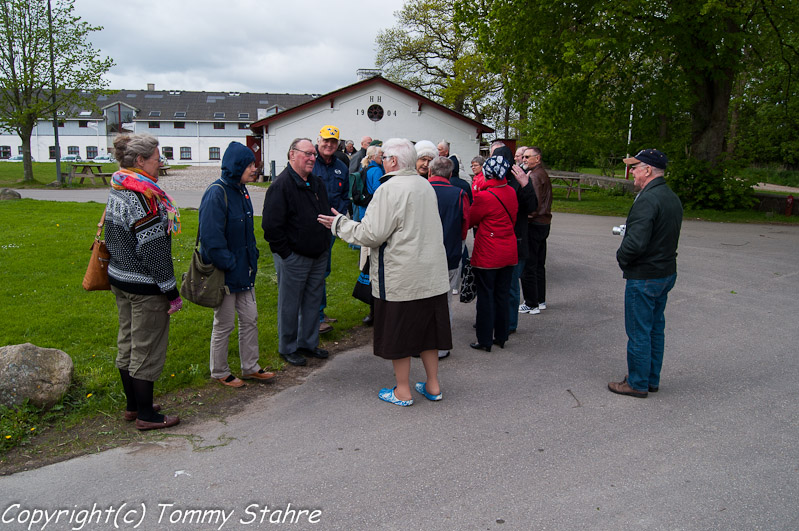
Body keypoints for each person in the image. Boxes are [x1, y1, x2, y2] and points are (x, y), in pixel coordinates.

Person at [318, 138, 452, 407]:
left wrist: (339, 224)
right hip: (430, 275)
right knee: (429, 332)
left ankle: (403, 390)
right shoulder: (425, 185)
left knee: (399, 333)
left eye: (384, 156)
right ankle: (433, 385)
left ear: (392, 161)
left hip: (401, 277)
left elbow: (371, 234)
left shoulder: (389, 189)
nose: (381, 159)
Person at [105, 133, 181, 431]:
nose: (160, 163)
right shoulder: (145, 197)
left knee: (127, 342)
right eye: (156, 158)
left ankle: (133, 405)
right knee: (146, 348)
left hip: (120, 277)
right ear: (140, 160)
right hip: (144, 285)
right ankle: (147, 415)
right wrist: (171, 292)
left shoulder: (118, 186)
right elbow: (154, 253)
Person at [199, 142, 275, 388]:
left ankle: (250, 367)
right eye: (250, 165)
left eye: (254, 164)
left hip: (245, 271)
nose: (254, 169)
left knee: (250, 319)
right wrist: (230, 264)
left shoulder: (242, 190)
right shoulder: (216, 193)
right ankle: (219, 370)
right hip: (226, 273)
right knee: (224, 324)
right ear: (236, 166)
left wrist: (251, 257)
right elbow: (211, 240)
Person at [609, 149, 683, 398]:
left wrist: (621, 257)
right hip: (664, 271)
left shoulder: (648, 199)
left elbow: (636, 242)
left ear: (648, 170)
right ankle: (650, 378)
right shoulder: (670, 196)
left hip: (645, 275)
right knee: (654, 328)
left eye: (636, 167)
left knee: (640, 330)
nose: (632, 172)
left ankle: (638, 382)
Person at [262, 138, 332, 367]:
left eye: (314, 154)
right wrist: (287, 255)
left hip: (318, 254)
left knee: (313, 302)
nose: (313, 158)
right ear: (292, 154)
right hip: (294, 257)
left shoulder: (317, 183)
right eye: (308, 154)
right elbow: (271, 227)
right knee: (290, 305)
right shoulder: (281, 186)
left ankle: (308, 343)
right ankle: (288, 347)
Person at [468, 155, 518, 352]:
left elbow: (472, 218)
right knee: (502, 295)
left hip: (489, 252)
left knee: (486, 296)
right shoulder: (512, 192)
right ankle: (502, 335)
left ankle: (484, 339)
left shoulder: (484, 197)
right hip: (508, 250)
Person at [428, 156, 470, 359]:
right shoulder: (459, 194)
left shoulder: (421, 191)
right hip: (449, 253)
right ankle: (442, 346)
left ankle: (423, 344)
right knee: (444, 301)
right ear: (451, 174)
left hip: (423, 255)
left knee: (421, 300)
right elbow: (465, 227)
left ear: (430, 172)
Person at [314, 125, 350, 333]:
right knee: (317, 270)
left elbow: (345, 195)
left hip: (332, 227)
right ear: (319, 140)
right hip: (313, 226)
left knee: (324, 269)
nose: (329, 145)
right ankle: (316, 317)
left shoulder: (341, 167)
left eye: (333, 142)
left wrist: (340, 216)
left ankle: (320, 311)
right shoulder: (311, 163)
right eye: (326, 141)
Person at [519, 147, 552, 315]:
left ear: (537, 158)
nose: (524, 159)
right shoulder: (541, 173)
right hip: (543, 222)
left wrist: (527, 216)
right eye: (523, 157)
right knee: (539, 264)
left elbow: (535, 202)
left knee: (530, 264)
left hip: (535, 223)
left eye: (527, 157)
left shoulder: (534, 176)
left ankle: (531, 302)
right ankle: (540, 299)